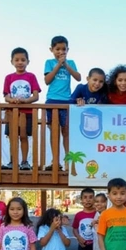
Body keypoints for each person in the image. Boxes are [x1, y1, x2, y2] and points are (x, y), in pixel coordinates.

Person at [44, 35, 81, 170]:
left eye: (63, 49)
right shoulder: (49, 62)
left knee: (66, 132)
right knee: (54, 132)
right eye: (57, 49)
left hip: (67, 101)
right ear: (51, 49)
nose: (60, 52)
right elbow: (47, 80)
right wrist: (58, 65)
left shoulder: (70, 62)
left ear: (67, 50)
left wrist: (65, 64)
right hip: (52, 100)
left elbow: (78, 77)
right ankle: (55, 160)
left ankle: (68, 161)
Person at [3, 47, 41, 171]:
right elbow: (6, 96)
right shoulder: (9, 77)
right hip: (12, 112)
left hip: (27, 111)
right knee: (13, 137)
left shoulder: (31, 76)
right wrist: (12, 100)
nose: (20, 62)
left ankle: (24, 161)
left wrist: (25, 101)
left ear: (27, 62)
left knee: (24, 136)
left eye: (23, 60)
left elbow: (35, 96)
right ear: (12, 62)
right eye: (17, 60)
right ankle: (13, 161)